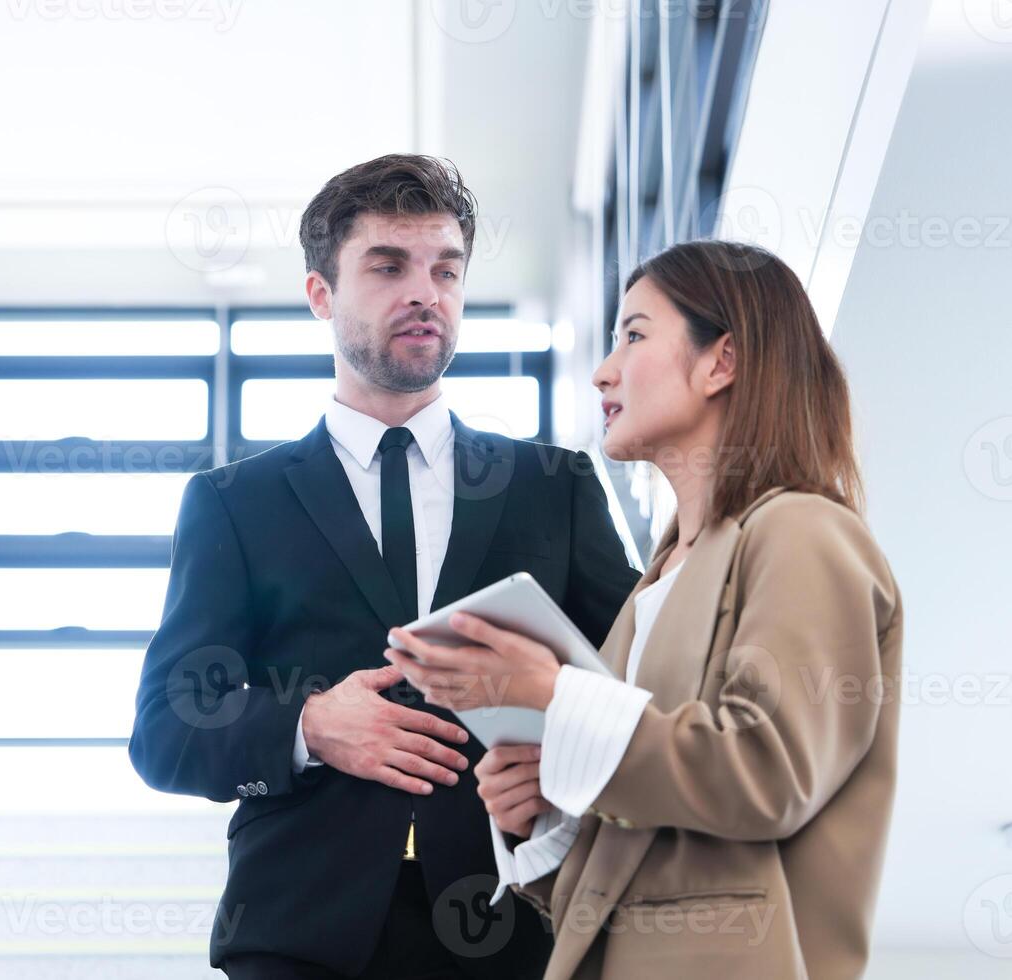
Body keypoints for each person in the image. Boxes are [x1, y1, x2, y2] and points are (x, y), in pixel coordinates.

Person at [128, 154, 640, 979]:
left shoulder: (556, 488)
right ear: (321, 295)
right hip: (300, 935)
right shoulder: (235, 503)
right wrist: (307, 728)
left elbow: (632, 693)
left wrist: (558, 761)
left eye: (446, 269)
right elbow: (165, 728)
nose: (425, 293)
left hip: (516, 926)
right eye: (388, 266)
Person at [386, 239, 903, 979]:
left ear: (721, 362)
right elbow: (627, 869)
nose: (604, 370)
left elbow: (768, 774)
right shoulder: (654, 586)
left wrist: (554, 695)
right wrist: (543, 812)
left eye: (633, 334)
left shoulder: (803, 532)